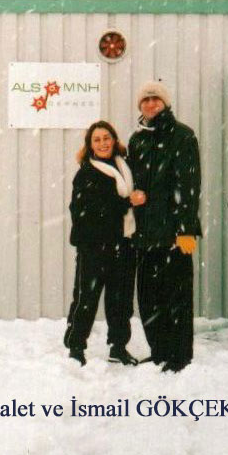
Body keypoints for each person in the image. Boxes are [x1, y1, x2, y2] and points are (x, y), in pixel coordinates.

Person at [128, 80, 201, 373]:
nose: (150, 104)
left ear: (165, 103)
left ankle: (179, 356)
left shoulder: (183, 136)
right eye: (145, 100)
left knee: (176, 297)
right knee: (149, 297)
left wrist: (185, 230)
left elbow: (189, 185)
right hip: (145, 233)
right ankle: (158, 351)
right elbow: (133, 181)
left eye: (155, 99)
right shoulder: (137, 140)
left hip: (174, 233)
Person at [64, 120, 146, 367]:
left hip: (124, 243)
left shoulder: (124, 166)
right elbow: (87, 212)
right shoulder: (86, 173)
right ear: (90, 145)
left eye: (106, 138)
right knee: (86, 299)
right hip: (94, 246)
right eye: (97, 139)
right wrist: (127, 202)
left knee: (121, 300)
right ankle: (76, 348)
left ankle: (118, 347)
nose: (102, 143)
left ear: (114, 140)